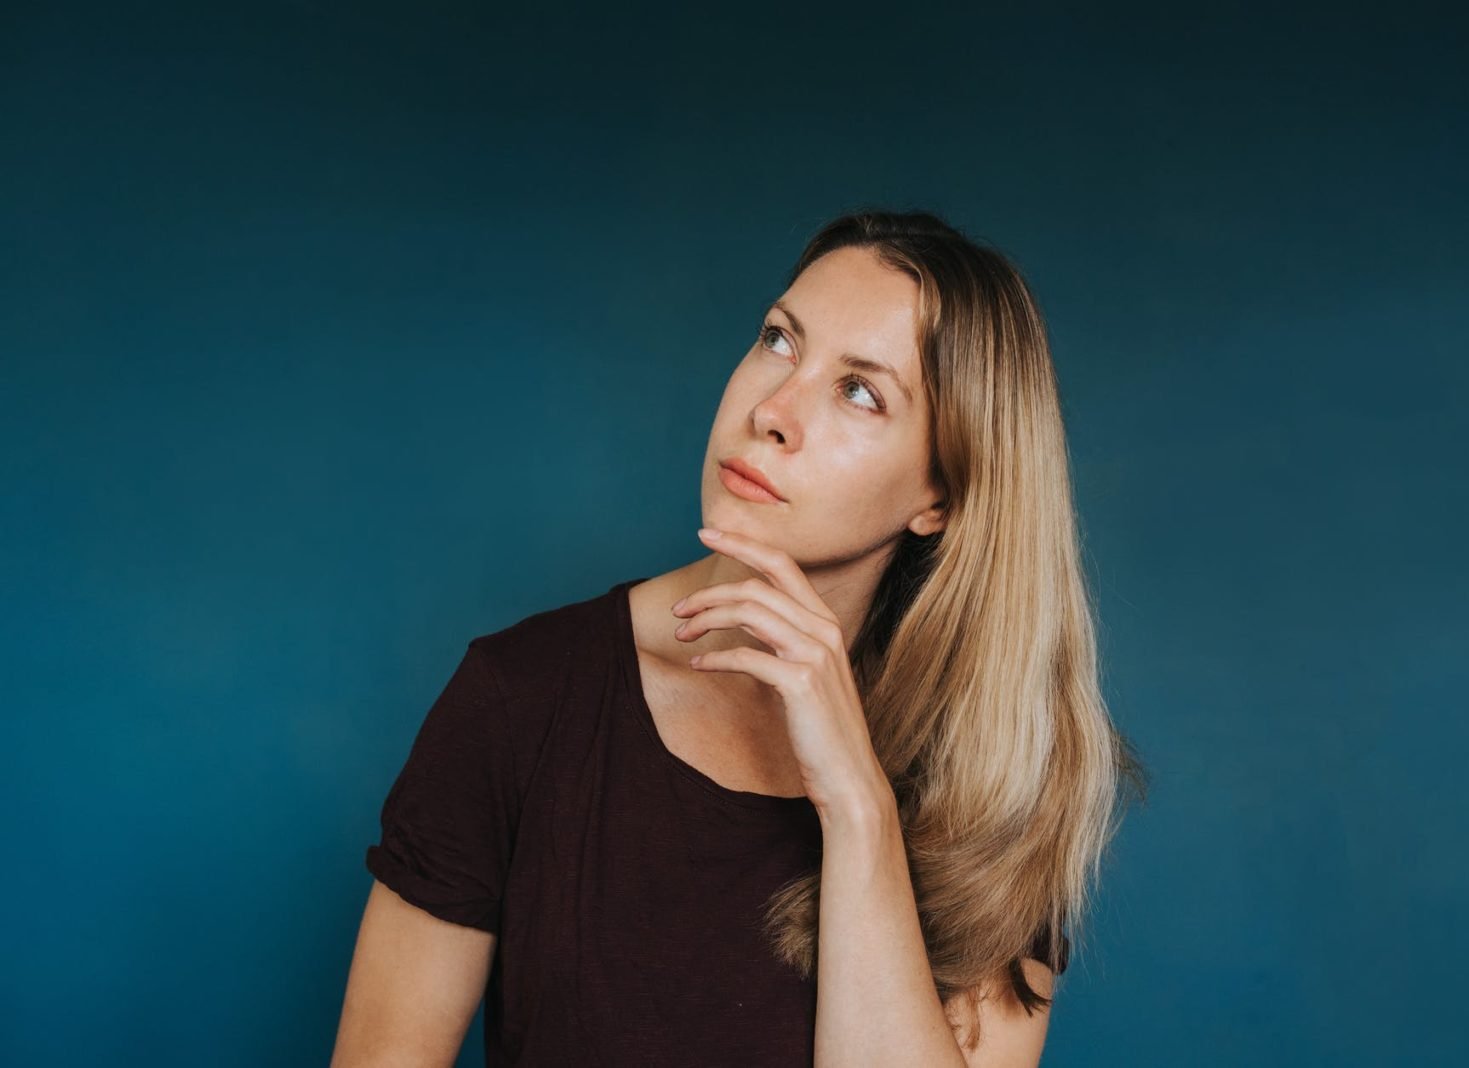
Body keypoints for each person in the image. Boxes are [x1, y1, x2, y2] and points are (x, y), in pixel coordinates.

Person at [330, 209, 1147, 1067]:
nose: (772, 410)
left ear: (939, 496)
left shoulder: (995, 782)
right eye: (779, 341)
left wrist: (857, 806)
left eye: (860, 391)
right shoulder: (521, 699)